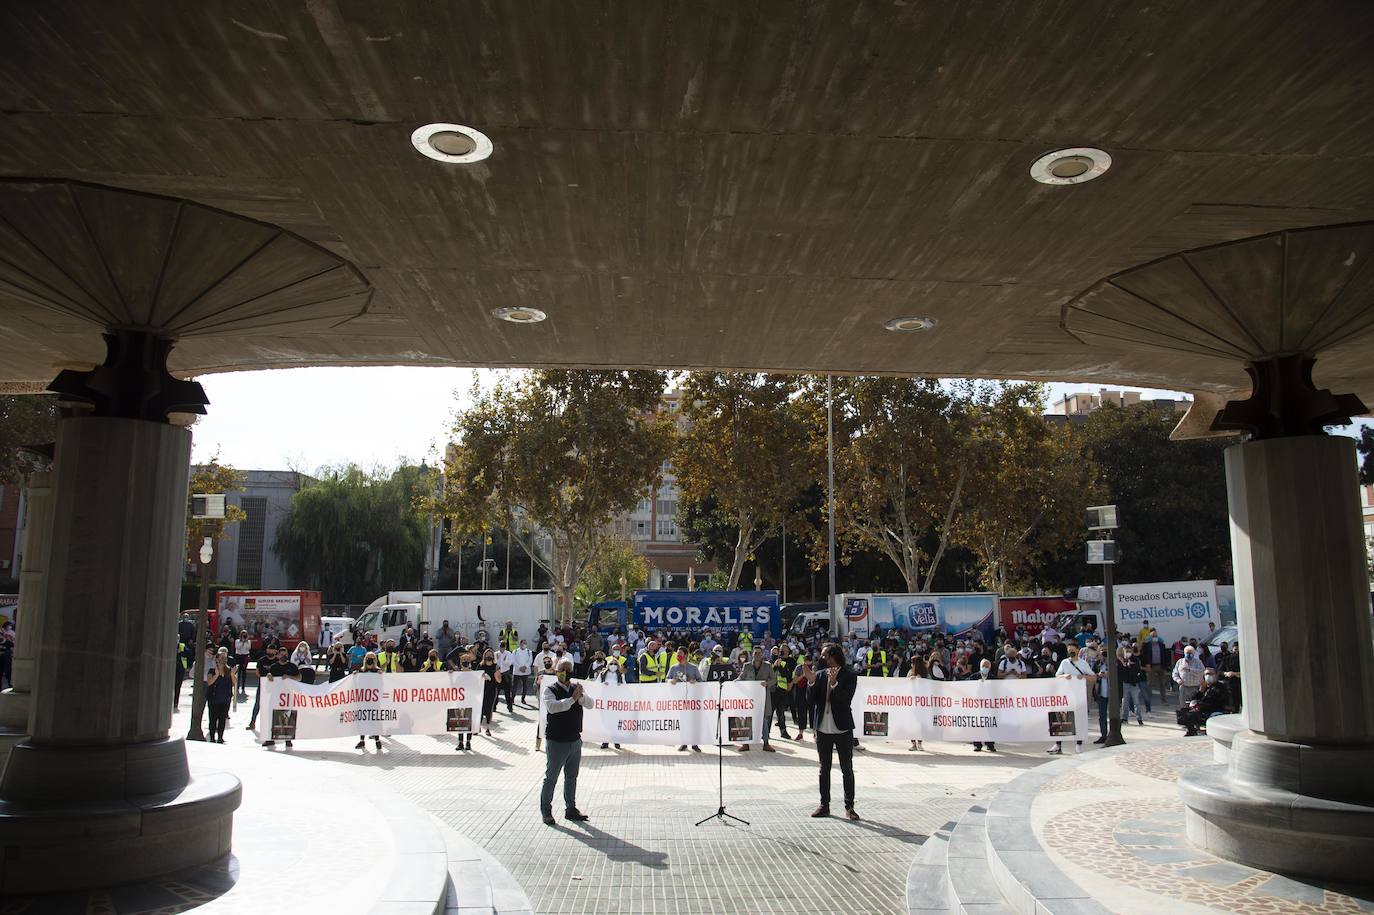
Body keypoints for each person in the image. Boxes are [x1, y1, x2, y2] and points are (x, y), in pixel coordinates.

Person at [805, 644, 859, 820]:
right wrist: (811, 682)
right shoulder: (820, 674)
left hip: (842, 728)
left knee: (847, 769)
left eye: (824, 655)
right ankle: (824, 805)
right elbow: (811, 701)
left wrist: (835, 684)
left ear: (833, 656)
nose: (821, 658)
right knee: (824, 769)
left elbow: (846, 700)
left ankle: (849, 807)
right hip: (823, 728)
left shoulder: (849, 675)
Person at [540, 658, 593, 825]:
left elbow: (590, 703)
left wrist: (580, 696)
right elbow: (553, 707)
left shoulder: (576, 688)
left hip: (574, 740)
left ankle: (571, 808)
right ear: (556, 671)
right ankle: (546, 810)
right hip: (557, 740)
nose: (565, 672)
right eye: (562, 669)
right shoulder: (550, 690)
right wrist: (572, 699)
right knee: (551, 777)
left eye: (568, 669)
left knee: (571, 777)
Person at [1049, 645, 1094, 755]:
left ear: (1078, 651)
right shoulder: (1064, 662)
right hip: (1065, 696)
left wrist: (1084, 676)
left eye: (1073, 650)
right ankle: (1058, 744)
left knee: (1079, 720)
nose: (1071, 652)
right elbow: (1057, 676)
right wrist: (1064, 676)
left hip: (1078, 696)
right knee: (1061, 719)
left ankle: (1079, 744)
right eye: (1069, 651)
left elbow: (1093, 677)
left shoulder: (1083, 663)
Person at [260, 646, 300, 748]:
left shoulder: (292, 666)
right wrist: (268, 676)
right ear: (278, 655)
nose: (283, 656)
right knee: (273, 716)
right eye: (281, 654)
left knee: (288, 716)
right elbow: (269, 680)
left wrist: (289, 677)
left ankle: (288, 739)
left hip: (287, 696)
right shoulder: (274, 667)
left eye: (285, 654)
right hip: (275, 695)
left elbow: (299, 678)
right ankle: (271, 739)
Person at [737, 646, 776, 752]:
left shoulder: (768, 666)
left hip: (762, 699)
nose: (757, 655)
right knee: (747, 720)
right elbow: (741, 678)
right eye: (755, 653)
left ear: (762, 654)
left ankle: (766, 743)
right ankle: (745, 744)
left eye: (759, 653)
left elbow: (774, 679)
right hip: (749, 699)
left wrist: (767, 683)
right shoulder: (747, 665)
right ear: (752, 654)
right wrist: (734, 683)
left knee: (764, 721)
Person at [666, 649, 702, 752]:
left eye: (680, 654)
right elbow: (666, 679)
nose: (678, 656)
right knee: (683, 722)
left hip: (692, 700)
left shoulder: (693, 668)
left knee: (693, 722)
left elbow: (701, 680)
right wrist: (671, 681)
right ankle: (684, 743)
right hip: (680, 701)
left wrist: (695, 681)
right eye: (677, 654)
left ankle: (694, 744)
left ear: (686, 655)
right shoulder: (673, 668)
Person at [1177, 669, 1229, 736]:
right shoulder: (1203, 686)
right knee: (1185, 712)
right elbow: (1194, 698)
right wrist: (1200, 691)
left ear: (1216, 675)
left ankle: (1209, 732)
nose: (1208, 676)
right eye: (1206, 674)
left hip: (1215, 709)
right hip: (1202, 709)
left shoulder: (1220, 687)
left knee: (1213, 715)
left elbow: (1214, 699)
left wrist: (1201, 704)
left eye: (1211, 674)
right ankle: (1191, 731)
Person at [206, 647, 236, 743]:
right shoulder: (212, 670)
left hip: (225, 698)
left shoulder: (229, 670)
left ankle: (220, 737)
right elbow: (209, 682)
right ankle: (212, 737)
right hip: (214, 698)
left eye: (225, 657)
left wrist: (232, 674)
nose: (224, 659)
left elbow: (234, 683)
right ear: (217, 658)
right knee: (213, 719)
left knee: (222, 719)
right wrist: (216, 675)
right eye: (222, 657)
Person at [355, 651, 384, 751]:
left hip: (374, 700)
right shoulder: (361, 671)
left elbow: (381, 685)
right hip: (363, 700)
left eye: (372, 658)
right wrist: (355, 675)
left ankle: (377, 740)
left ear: (375, 660)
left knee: (375, 720)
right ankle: (362, 740)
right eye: (368, 658)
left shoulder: (378, 671)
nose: (370, 660)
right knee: (362, 720)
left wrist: (381, 675)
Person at [967, 659, 997, 752]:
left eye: (987, 666)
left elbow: (996, 690)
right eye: (983, 666)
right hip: (977, 705)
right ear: (980, 667)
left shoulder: (993, 678)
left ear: (990, 668)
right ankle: (977, 745)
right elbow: (968, 688)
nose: (985, 668)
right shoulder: (973, 677)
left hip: (989, 705)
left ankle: (990, 744)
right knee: (977, 725)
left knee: (989, 724)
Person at [246, 644, 278, 732]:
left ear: (275, 651)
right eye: (269, 649)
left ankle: (274, 724)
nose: (270, 651)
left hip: (275, 687)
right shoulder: (262, 660)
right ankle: (252, 722)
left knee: (273, 705)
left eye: (272, 649)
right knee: (258, 704)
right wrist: (264, 679)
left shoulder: (277, 661)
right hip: (263, 686)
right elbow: (257, 672)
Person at [772, 645, 797, 741]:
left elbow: (789, 674)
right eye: (781, 650)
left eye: (785, 650)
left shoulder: (788, 661)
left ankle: (783, 732)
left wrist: (779, 667)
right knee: (769, 713)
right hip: (772, 690)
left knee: (781, 711)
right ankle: (765, 734)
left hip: (784, 689)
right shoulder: (771, 662)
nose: (783, 652)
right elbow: (770, 673)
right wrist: (775, 666)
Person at [1119, 646, 1146, 726]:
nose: (1127, 653)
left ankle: (1139, 719)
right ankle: (1124, 718)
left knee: (1136, 702)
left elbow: (1137, 671)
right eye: (1126, 651)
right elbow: (1121, 672)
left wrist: (1130, 666)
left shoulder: (1136, 660)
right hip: (1125, 683)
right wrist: (1125, 665)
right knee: (1125, 702)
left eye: (1129, 651)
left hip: (1134, 683)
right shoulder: (1122, 660)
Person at [479, 648, 501, 737]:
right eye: (487, 655)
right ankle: (478, 727)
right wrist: (481, 676)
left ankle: (488, 728)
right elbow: (475, 676)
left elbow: (499, 680)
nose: (489, 656)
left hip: (492, 689)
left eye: (490, 655)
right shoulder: (481, 665)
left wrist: (495, 675)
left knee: (489, 708)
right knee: (481, 708)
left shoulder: (496, 666)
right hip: (481, 690)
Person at [907, 652, 927, 751]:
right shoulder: (910, 672)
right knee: (912, 722)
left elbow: (929, 685)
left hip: (922, 703)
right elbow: (905, 685)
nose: (911, 664)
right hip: (912, 702)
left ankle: (919, 742)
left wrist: (921, 680)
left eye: (913, 662)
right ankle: (913, 743)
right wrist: (910, 680)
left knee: (921, 723)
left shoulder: (925, 673)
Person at [512, 639, 535, 706]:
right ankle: (512, 698)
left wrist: (525, 667)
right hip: (517, 671)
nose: (524, 644)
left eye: (525, 643)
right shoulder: (515, 651)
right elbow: (513, 660)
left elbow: (530, 661)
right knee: (514, 686)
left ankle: (523, 698)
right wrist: (519, 667)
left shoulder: (529, 651)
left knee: (525, 686)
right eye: (523, 643)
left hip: (525, 671)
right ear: (520, 644)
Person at [233, 629, 252, 699]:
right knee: (238, 671)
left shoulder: (248, 642)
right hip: (239, 656)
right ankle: (237, 686)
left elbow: (248, 648)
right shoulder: (237, 641)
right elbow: (237, 647)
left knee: (244, 671)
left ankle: (243, 686)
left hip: (245, 657)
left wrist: (245, 641)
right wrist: (242, 642)